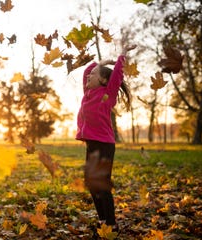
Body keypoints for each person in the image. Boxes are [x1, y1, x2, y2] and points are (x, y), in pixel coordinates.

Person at [75, 44, 137, 232]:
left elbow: (117, 76)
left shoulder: (106, 95)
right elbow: (87, 71)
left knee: (101, 183)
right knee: (91, 183)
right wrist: (101, 63)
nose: (88, 77)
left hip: (104, 145)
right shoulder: (88, 93)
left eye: (94, 75)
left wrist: (121, 57)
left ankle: (111, 223)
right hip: (92, 144)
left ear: (103, 80)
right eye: (90, 75)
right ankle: (103, 220)